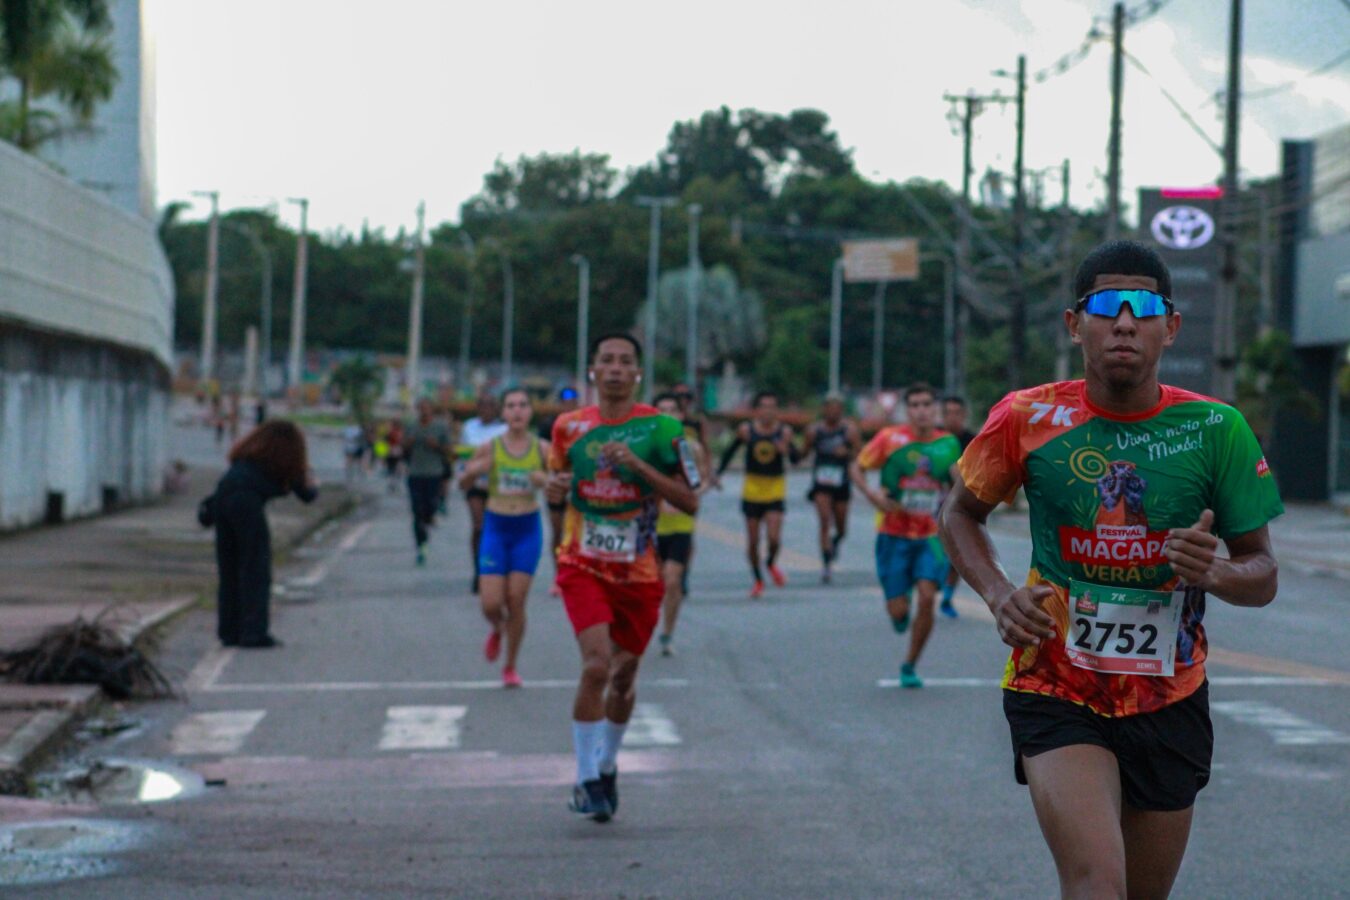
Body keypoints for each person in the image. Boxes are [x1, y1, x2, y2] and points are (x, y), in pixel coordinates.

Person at [939, 240, 1282, 899]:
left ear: (1169, 326)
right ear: (1076, 324)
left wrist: (1213, 572)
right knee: (1097, 883)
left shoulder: (1217, 428)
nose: (1124, 322)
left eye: (1144, 308)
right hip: (1055, 684)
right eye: (1105, 306)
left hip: (1169, 696)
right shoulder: (1026, 417)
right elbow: (959, 513)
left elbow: (1261, 572)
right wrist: (998, 593)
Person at [546, 333, 698, 822]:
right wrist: (553, 490)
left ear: (637, 373)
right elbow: (557, 485)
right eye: (606, 360)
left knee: (623, 677)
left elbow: (690, 500)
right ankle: (586, 779)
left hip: (639, 572)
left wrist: (638, 466)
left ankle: (607, 763)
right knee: (596, 666)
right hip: (582, 564)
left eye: (625, 361)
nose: (615, 368)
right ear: (593, 370)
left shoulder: (663, 429)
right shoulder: (568, 427)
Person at [850, 383, 961, 688]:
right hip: (893, 534)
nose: (921, 411)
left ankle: (910, 663)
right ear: (907, 410)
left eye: (927, 404)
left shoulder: (948, 443)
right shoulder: (890, 439)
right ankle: (899, 610)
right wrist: (872, 495)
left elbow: (958, 481)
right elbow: (857, 467)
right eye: (915, 405)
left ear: (935, 409)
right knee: (899, 611)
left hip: (931, 536)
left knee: (927, 597)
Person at [459, 388, 549, 688]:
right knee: (490, 603)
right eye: (511, 406)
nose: (517, 411)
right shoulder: (490, 448)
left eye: (523, 405)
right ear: (504, 413)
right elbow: (463, 482)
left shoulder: (543, 449)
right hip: (496, 528)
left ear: (530, 412)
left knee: (516, 600)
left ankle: (510, 665)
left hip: (527, 529)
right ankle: (497, 628)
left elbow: (564, 485)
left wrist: (545, 480)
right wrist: (473, 472)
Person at [213, 420, 317, 648]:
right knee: (255, 567)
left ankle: (229, 630)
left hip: (224, 499)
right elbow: (307, 495)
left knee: (229, 568)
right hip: (247, 504)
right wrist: (311, 481)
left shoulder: (247, 457)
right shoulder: (284, 461)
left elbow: (226, 485)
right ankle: (253, 631)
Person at [717, 391, 799, 598]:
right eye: (764, 406)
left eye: (772, 407)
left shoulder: (784, 432)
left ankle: (770, 563)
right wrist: (717, 475)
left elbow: (796, 459)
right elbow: (729, 452)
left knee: (774, 538)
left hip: (774, 488)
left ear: (776, 410)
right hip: (752, 490)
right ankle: (758, 579)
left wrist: (786, 450)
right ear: (757, 410)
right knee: (753, 542)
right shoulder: (746, 430)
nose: (767, 411)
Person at [653, 392, 709, 657]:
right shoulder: (646, 448)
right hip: (651, 527)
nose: (667, 415)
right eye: (661, 410)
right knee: (651, 584)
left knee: (672, 580)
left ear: (681, 415)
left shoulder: (691, 448)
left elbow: (702, 481)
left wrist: (689, 495)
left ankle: (667, 633)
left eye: (672, 410)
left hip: (680, 525)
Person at [802, 393, 861, 584]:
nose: (833, 412)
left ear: (841, 410)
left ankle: (835, 541)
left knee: (842, 528)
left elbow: (861, 455)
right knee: (824, 521)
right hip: (821, 483)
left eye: (837, 408)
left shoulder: (849, 430)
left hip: (842, 483)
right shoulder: (814, 430)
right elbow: (803, 452)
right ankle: (826, 564)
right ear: (824, 409)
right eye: (830, 408)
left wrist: (848, 453)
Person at [457, 393, 508, 593]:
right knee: (478, 526)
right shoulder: (469, 427)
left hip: (498, 485)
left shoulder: (504, 429)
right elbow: (462, 454)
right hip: (475, 483)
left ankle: (496, 569)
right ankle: (478, 570)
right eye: (483, 405)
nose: (486, 409)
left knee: (496, 528)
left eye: (490, 405)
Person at [938, 395, 978, 617]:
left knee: (957, 551)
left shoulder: (973, 442)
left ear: (964, 415)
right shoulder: (933, 438)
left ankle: (947, 596)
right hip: (932, 505)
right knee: (932, 550)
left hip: (960, 505)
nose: (952, 418)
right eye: (947, 413)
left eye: (957, 413)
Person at [538, 387, 581, 595]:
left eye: (573, 400)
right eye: (565, 400)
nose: (569, 404)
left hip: (578, 485)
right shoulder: (550, 425)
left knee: (575, 533)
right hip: (557, 483)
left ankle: (575, 573)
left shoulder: (585, 424)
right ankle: (558, 576)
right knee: (557, 531)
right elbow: (542, 454)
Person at [405, 398, 452, 566]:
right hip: (415, 473)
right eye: (421, 408)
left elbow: (449, 450)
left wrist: (436, 445)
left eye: (427, 408)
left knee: (430, 507)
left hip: (434, 473)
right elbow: (402, 448)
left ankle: (430, 518)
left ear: (432, 409)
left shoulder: (440, 427)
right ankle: (421, 546)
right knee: (416, 511)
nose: (424, 411)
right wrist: (408, 444)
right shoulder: (411, 426)